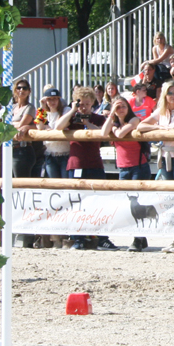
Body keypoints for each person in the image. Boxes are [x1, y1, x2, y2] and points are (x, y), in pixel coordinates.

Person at [138, 81, 174, 251]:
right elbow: (142, 125)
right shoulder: (161, 111)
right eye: (170, 93)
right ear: (165, 95)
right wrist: (162, 127)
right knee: (170, 198)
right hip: (166, 156)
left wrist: (164, 129)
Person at [55, 87, 113, 250]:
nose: (84, 107)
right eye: (81, 104)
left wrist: (87, 122)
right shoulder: (71, 118)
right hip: (76, 164)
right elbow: (58, 127)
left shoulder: (98, 118)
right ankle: (78, 237)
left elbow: (103, 134)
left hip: (94, 163)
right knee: (76, 203)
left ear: (93, 103)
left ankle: (102, 237)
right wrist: (73, 110)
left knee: (99, 202)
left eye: (87, 104)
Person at [101, 97, 151, 252]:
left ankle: (137, 239)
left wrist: (114, 129)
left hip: (138, 166)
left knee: (137, 206)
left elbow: (121, 134)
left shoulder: (134, 120)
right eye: (117, 107)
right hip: (123, 168)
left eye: (123, 106)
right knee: (127, 206)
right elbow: (103, 133)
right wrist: (111, 117)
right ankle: (140, 238)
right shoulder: (114, 122)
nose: (120, 109)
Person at [35, 87, 71, 180]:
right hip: (50, 154)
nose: (52, 102)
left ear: (59, 99)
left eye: (55, 98)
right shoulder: (44, 113)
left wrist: (49, 129)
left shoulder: (65, 110)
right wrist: (42, 106)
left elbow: (61, 126)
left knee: (66, 183)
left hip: (65, 154)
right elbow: (39, 126)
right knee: (54, 183)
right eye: (49, 99)